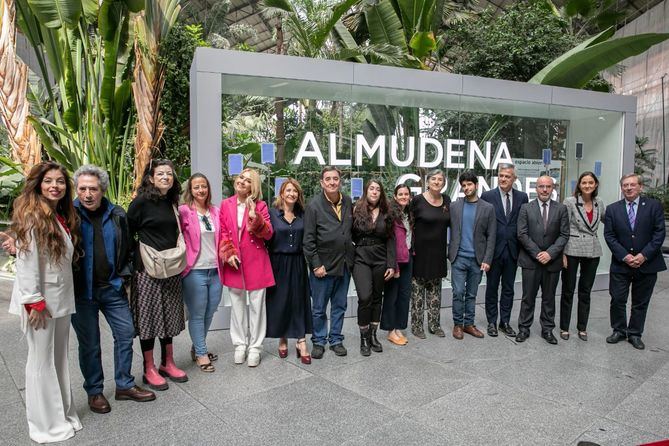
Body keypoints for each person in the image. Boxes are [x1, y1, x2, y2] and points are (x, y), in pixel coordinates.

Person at [72, 166, 155, 412]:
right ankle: (95, 391)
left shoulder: (117, 214)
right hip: (81, 292)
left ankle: (124, 384)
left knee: (125, 332)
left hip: (112, 288)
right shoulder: (68, 214)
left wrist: (124, 274)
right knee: (90, 343)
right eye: (82, 188)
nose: (87, 194)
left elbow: (129, 248)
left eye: (93, 189)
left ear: (103, 190)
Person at [9, 161, 82, 443]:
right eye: (49, 181)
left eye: (60, 182)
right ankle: (44, 425)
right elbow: (27, 263)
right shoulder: (31, 215)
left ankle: (62, 415)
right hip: (41, 304)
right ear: (38, 184)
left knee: (59, 359)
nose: (55, 186)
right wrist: (33, 302)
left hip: (60, 299)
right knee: (41, 363)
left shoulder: (57, 215)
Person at [128, 159, 187, 390]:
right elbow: (128, 232)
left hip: (170, 267)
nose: (166, 177)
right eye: (160, 174)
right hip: (147, 270)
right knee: (149, 318)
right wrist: (136, 261)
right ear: (151, 178)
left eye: (169, 174)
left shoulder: (171, 202)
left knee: (169, 316)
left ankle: (167, 362)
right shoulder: (141, 202)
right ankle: (149, 367)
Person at [218, 168, 274, 367]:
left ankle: (256, 347)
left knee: (258, 307)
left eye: (248, 180)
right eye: (241, 177)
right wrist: (228, 252)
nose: (242, 181)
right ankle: (240, 345)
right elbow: (223, 231)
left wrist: (255, 216)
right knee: (237, 306)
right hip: (235, 262)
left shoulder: (261, 205)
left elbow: (268, 234)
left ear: (253, 187)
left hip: (256, 261)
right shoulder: (225, 204)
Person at [604, 173, 666, 350]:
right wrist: (625, 256)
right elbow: (609, 236)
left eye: (632, 185)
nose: (628, 188)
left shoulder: (653, 206)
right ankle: (619, 330)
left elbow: (659, 233)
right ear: (621, 188)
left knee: (640, 301)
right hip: (621, 264)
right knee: (617, 298)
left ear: (640, 187)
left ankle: (635, 333)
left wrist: (643, 255)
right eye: (625, 185)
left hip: (647, 264)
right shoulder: (613, 209)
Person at [303, 166, 354, 358]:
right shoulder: (314, 206)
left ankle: (336, 340)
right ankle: (318, 341)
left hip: (344, 264)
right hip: (322, 267)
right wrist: (316, 265)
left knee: (340, 306)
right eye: (328, 179)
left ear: (340, 181)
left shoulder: (348, 201)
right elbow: (308, 240)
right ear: (322, 183)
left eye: (335, 179)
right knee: (318, 308)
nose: (332, 182)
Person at [516, 175, 569, 344]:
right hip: (531, 261)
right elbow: (522, 234)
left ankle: (547, 329)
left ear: (553, 188)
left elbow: (564, 234)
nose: (545, 190)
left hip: (552, 263)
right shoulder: (526, 208)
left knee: (549, 298)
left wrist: (550, 254)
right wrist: (538, 253)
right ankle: (524, 329)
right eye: (541, 186)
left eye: (548, 186)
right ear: (536, 188)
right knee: (527, 297)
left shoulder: (561, 209)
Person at [179, 173, 223, 372]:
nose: (201, 190)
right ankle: (201, 353)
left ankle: (198, 347)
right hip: (194, 270)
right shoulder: (184, 211)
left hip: (215, 269)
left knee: (210, 311)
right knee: (197, 314)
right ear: (191, 190)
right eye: (196, 187)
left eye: (203, 186)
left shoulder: (215, 211)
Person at [266, 179, 312, 364]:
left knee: (299, 300)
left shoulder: (303, 214)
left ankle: (301, 341)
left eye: (295, 191)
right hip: (277, 262)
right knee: (281, 301)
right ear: (282, 193)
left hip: (298, 262)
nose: (292, 194)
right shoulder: (272, 213)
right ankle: (283, 337)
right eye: (288, 190)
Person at [481, 163, 528, 337]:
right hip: (493, 250)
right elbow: (483, 224)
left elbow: (523, 223)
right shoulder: (487, 196)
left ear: (514, 179)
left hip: (513, 250)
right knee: (492, 287)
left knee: (509, 288)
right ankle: (492, 322)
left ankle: (505, 322)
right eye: (501, 175)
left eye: (507, 176)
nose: (503, 179)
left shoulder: (522, 197)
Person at [447, 171, 496, 340]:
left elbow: (492, 236)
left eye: (469, 184)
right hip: (458, 257)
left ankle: (469, 324)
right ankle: (458, 325)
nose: (466, 188)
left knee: (472, 294)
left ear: (476, 185)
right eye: (463, 185)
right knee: (458, 292)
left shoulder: (488, 208)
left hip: (477, 259)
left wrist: (487, 259)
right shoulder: (454, 206)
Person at [560, 171, 606, 342]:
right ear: (579, 185)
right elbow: (564, 228)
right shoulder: (570, 202)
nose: (587, 185)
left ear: (595, 185)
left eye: (590, 182)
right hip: (572, 249)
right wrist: (562, 253)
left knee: (585, 291)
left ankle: (582, 327)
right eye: (584, 182)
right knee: (568, 290)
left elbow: (607, 221)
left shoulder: (599, 203)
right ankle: (564, 327)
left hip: (593, 251)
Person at [351, 180, 395, 356]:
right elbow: (349, 234)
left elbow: (391, 239)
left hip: (381, 258)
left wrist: (391, 264)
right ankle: (363, 337)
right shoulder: (356, 209)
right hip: (361, 257)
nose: (375, 192)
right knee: (365, 297)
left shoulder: (387, 212)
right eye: (372, 188)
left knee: (377, 298)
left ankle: (373, 336)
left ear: (381, 192)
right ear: (366, 191)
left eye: (378, 189)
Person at [410, 169, 451, 339]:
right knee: (417, 293)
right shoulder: (417, 200)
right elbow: (409, 225)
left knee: (435, 293)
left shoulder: (446, 200)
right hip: (419, 254)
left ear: (443, 183)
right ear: (427, 182)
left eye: (440, 179)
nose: (436, 182)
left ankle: (434, 325)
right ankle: (417, 326)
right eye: (433, 179)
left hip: (438, 254)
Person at [381, 184, 413, 346]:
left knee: (404, 296)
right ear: (394, 196)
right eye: (400, 194)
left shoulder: (408, 213)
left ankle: (398, 327)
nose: (403, 197)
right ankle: (390, 330)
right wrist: (393, 265)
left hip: (408, 259)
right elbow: (389, 242)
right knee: (391, 296)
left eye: (406, 194)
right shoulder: (391, 215)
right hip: (395, 262)